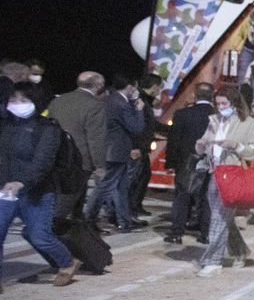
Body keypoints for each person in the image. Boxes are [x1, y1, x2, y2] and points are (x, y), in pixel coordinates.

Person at [1, 83, 80, 288]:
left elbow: (43, 161)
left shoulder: (48, 128)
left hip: (37, 192)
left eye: (24, 100)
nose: (17, 104)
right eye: (13, 100)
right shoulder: (5, 125)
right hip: (4, 191)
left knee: (40, 236)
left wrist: (22, 182)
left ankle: (67, 262)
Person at [193, 86, 254, 277]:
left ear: (234, 103)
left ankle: (213, 261)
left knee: (218, 217)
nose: (221, 107)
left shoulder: (248, 123)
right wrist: (200, 146)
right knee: (224, 218)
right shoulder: (214, 121)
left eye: (224, 103)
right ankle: (240, 251)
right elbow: (205, 145)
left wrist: (237, 146)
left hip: (233, 175)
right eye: (218, 104)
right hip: (214, 173)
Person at [86, 75, 146, 233]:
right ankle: (88, 220)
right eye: (135, 87)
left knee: (120, 187)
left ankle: (124, 221)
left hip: (113, 150)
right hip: (115, 151)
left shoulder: (111, 100)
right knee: (104, 187)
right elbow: (136, 127)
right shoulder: (120, 103)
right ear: (130, 86)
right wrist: (139, 110)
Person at [46, 71, 108, 223]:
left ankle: (77, 228)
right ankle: (56, 231)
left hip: (57, 156)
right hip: (80, 159)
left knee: (64, 195)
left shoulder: (59, 101)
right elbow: (96, 138)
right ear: (98, 85)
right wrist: (99, 165)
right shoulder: (94, 106)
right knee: (69, 200)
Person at [164, 83, 216, 244]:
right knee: (207, 198)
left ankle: (176, 232)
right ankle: (205, 233)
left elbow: (174, 141)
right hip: (211, 162)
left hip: (186, 162)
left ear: (195, 95)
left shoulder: (182, 114)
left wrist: (171, 162)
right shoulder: (218, 116)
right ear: (212, 96)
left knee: (182, 197)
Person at [128, 73, 163, 216]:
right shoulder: (140, 101)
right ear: (154, 87)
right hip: (138, 146)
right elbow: (143, 125)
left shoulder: (146, 100)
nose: (160, 90)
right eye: (160, 87)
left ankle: (135, 205)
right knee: (136, 178)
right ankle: (130, 208)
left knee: (144, 175)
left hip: (142, 146)